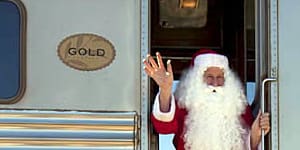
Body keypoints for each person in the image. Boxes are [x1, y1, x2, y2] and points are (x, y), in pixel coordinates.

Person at [143, 49, 270, 150]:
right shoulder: (184, 104)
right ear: (197, 80)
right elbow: (163, 127)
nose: (215, 83)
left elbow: (248, 145)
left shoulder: (237, 105)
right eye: (209, 76)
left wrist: (256, 133)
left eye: (220, 77)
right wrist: (165, 90)